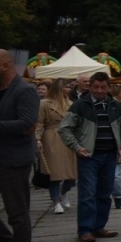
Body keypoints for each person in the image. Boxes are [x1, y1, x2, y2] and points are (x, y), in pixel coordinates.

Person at [57, 72, 121, 242]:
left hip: (110, 155)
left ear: (109, 87)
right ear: (89, 87)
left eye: (103, 87)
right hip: (89, 156)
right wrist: (76, 147)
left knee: (104, 193)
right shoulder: (80, 105)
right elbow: (64, 128)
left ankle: (99, 226)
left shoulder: (115, 105)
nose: (99, 91)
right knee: (87, 194)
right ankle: (85, 230)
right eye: (95, 87)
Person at [0, 50, 41, 242]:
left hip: (14, 160)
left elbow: (27, 123)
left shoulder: (24, 90)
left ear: (5, 65)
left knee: (17, 212)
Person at [37, 81, 77, 215]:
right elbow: (39, 122)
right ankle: (56, 201)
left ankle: (63, 192)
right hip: (52, 138)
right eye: (66, 87)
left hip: (70, 138)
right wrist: (37, 139)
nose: (69, 89)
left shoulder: (71, 104)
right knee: (54, 172)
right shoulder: (45, 104)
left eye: (69, 87)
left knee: (72, 173)